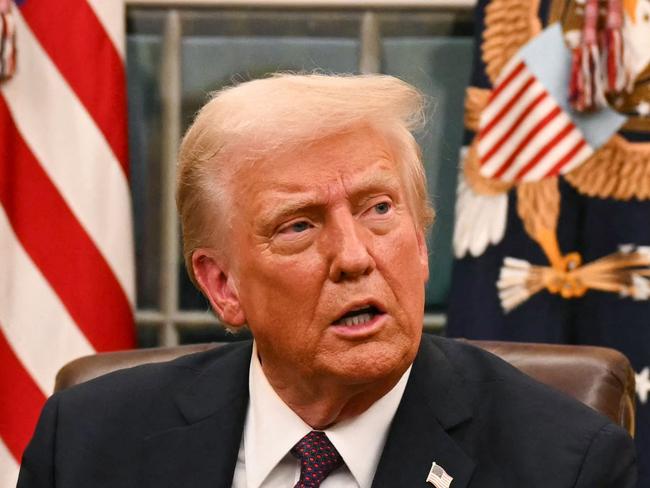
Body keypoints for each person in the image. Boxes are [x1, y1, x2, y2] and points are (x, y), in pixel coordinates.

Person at [18, 73, 636, 488]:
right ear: (222, 287)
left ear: (421, 244)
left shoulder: (566, 465)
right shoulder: (88, 446)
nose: (354, 256)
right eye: (298, 226)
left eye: (379, 210)